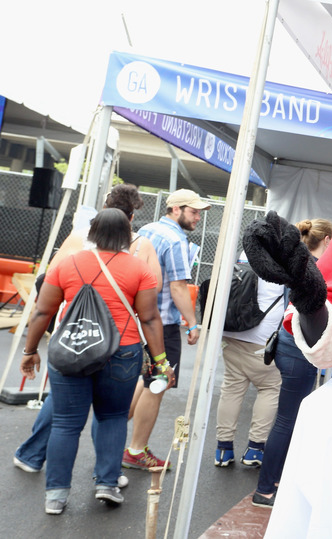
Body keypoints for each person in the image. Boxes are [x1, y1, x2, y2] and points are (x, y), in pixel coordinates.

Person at [19, 209, 173, 515]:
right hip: (123, 352)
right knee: (113, 417)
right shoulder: (140, 270)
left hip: (72, 349)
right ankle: (106, 483)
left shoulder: (67, 263)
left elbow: (42, 311)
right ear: (127, 235)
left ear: (92, 232)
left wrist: (30, 350)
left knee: (65, 424)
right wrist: (161, 362)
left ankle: (56, 495)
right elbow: (150, 318)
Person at [123, 188, 208, 471]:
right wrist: (193, 323)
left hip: (136, 319)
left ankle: (122, 429)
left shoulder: (147, 229)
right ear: (176, 209)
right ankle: (136, 450)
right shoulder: (175, 240)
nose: (198, 217)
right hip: (162, 323)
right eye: (193, 211)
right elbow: (179, 286)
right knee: (158, 384)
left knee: (147, 379)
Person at [252, 218, 332, 508]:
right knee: (287, 421)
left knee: (288, 418)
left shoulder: (298, 264)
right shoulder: (315, 269)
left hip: (288, 345)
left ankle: (272, 483)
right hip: (299, 350)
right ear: (326, 241)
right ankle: (265, 489)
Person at [213, 252, 285, 469]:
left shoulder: (242, 255)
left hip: (232, 333)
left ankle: (223, 450)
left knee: (232, 389)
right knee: (270, 388)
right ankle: (255, 448)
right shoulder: (281, 261)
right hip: (262, 341)